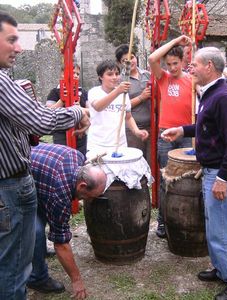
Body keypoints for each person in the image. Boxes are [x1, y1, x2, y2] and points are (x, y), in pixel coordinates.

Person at [0, 11, 89, 299]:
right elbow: (40, 121)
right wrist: (77, 112)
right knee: (12, 267)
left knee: (19, 258)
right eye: (12, 40)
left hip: (17, 181)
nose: (19, 47)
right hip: (8, 188)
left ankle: (33, 278)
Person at [161, 47, 227, 300]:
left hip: (222, 173)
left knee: (223, 229)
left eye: (194, 65)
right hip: (213, 170)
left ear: (209, 66)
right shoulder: (212, 94)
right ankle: (223, 270)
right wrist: (182, 130)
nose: (191, 68)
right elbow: (208, 125)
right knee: (214, 227)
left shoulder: (224, 97)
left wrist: (222, 179)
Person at [27, 143, 107, 299]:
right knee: (35, 231)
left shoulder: (78, 157)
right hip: (11, 178)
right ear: (83, 185)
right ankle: (37, 278)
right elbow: (61, 244)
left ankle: (39, 251)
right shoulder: (60, 195)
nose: (89, 200)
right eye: (90, 197)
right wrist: (76, 279)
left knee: (42, 209)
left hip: (38, 179)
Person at [148, 35, 192, 238]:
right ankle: (163, 222)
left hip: (186, 134)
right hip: (166, 135)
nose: (172, 67)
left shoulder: (192, 80)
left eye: (176, 63)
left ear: (183, 62)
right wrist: (175, 42)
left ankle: (185, 217)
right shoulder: (163, 78)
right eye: (169, 64)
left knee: (188, 178)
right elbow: (151, 59)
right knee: (167, 179)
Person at [86, 60, 148, 153]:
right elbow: (98, 107)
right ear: (101, 77)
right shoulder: (94, 92)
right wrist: (118, 91)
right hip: (98, 145)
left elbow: (128, 117)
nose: (114, 77)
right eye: (110, 74)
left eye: (117, 74)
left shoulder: (123, 94)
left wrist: (136, 131)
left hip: (120, 145)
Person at [115, 44, 152, 161]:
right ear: (120, 63)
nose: (129, 61)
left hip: (151, 126)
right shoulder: (120, 80)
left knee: (151, 161)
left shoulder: (147, 75)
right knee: (136, 160)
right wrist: (142, 97)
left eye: (132, 57)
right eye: (125, 60)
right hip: (132, 129)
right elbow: (120, 106)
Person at [46, 64, 88, 155]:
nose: (76, 75)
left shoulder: (83, 92)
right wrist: (62, 100)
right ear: (62, 74)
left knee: (80, 158)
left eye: (78, 73)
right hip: (61, 133)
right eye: (73, 73)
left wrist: (80, 108)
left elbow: (90, 111)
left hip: (80, 134)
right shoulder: (54, 92)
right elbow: (48, 112)